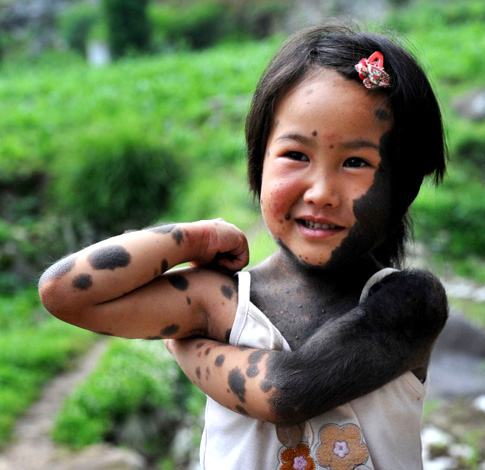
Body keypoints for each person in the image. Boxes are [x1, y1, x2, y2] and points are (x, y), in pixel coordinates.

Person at [39, 25, 448, 469]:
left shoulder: (408, 303)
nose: (321, 192)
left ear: (402, 187)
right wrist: (191, 238)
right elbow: (64, 292)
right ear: (258, 162)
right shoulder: (225, 299)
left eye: (355, 162)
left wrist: (184, 346)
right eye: (296, 155)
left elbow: (286, 392)